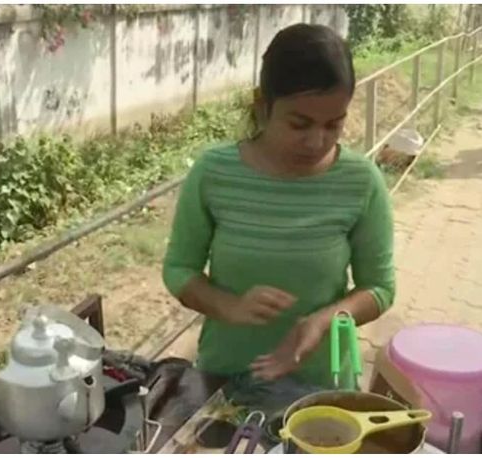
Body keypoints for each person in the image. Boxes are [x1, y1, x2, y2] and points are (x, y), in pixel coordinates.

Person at [162, 23, 395, 410]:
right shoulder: (214, 173)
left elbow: (380, 288)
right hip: (224, 377)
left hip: (321, 384)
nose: (316, 141)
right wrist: (228, 306)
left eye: (333, 124)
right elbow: (179, 269)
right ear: (262, 106)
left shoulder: (360, 181)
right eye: (299, 124)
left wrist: (322, 322)